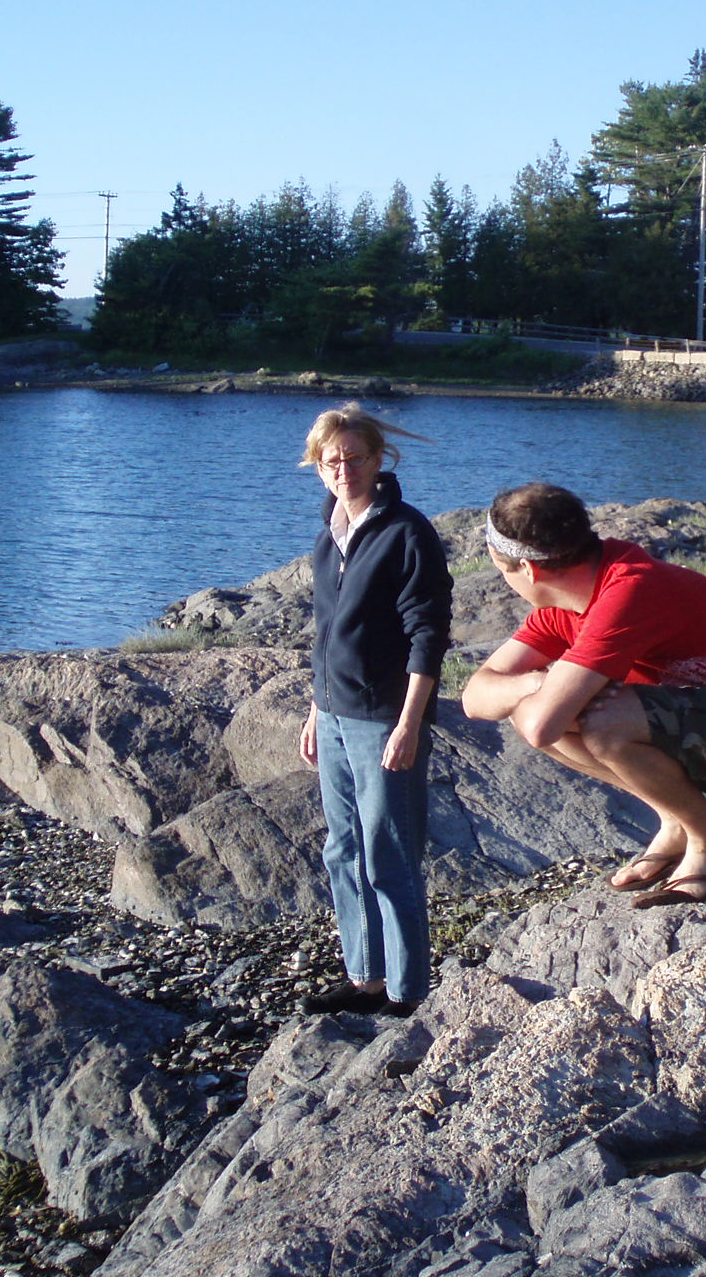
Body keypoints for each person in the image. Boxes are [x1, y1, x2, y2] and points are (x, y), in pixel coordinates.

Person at [460, 482, 706, 908]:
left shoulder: (629, 590)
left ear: (528, 569)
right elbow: (476, 697)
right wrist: (537, 683)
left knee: (599, 722)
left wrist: (547, 690)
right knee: (534, 710)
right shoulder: (564, 607)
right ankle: (676, 822)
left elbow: (544, 724)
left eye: (501, 570)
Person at [297, 406, 452, 1017]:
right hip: (334, 716)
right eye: (332, 461)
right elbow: (325, 631)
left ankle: (408, 992)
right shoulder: (330, 531)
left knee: (390, 852)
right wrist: (316, 708)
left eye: (355, 457)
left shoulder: (407, 532)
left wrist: (410, 722)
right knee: (344, 849)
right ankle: (364, 976)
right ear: (317, 467)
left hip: (385, 717)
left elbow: (428, 635)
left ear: (378, 458)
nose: (344, 470)